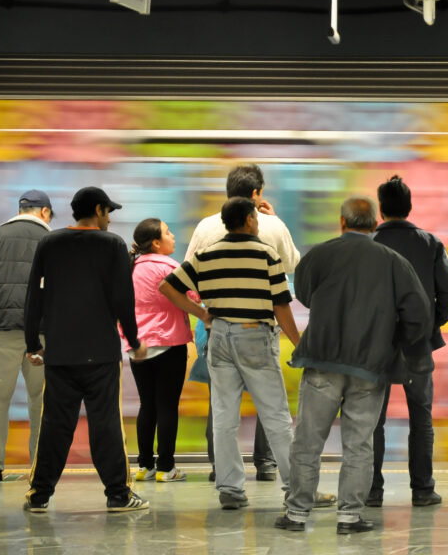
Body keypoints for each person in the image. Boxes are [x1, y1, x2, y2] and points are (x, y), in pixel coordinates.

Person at [275, 196, 431, 534]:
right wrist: (397, 342)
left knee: (307, 441)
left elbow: (301, 291)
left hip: (322, 360)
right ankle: (349, 517)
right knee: (359, 443)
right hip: (370, 366)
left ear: (342, 223)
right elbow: (419, 315)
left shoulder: (320, 254)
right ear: (374, 225)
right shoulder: (394, 261)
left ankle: (297, 514)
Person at [160, 196, 324, 510]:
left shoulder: (205, 255)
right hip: (255, 337)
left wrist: (202, 314)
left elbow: (168, 287)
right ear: (249, 220)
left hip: (218, 338)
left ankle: (231, 490)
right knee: (275, 416)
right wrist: (299, 342)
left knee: (224, 417)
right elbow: (280, 304)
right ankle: (298, 488)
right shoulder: (266, 254)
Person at [23, 187, 149, 513]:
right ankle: (118, 495)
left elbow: (34, 294)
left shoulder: (50, 243)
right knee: (106, 425)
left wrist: (32, 344)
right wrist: (134, 342)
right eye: (108, 212)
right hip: (101, 355)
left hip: (60, 353)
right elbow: (123, 300)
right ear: (98, 209)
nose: (110, 219)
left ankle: (39, 496)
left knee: (54, 426)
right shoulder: (112, 245)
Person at [185, 164, 299, 481]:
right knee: (270, 401)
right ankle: (267, 464)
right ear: (255, 194)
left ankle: (222, 472)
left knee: (221, 403)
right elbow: (292, 267)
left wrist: (203, 313)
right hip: (259, 328)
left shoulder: (206, 226)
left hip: (216, 326)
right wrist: (275, 219)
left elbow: (184, 278)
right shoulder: (271, 227)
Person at [367, 175, 448, 509]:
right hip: (417, 343)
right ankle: (422, 490)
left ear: (381, 208)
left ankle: (372, 491)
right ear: (408, 207)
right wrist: (432, 324)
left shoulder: (368, 243)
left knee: (373, 420)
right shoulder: (430, 243)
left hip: (375, 345)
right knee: (421, 417)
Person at [124, 218, 195, 483]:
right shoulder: (170, 267)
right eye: (168, 232)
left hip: (137, 347)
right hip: (169, 345)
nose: (173, 236)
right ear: (156, 242)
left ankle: (144, 466)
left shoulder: (129, 268)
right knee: (167, 406)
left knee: (147, 405)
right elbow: (194, 297)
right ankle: (166, 468)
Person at [0, 190, 53, 482]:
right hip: (41, 334)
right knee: (40, 400)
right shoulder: (53, 241)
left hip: (1, 329)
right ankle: (39, 464)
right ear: (44, 212)